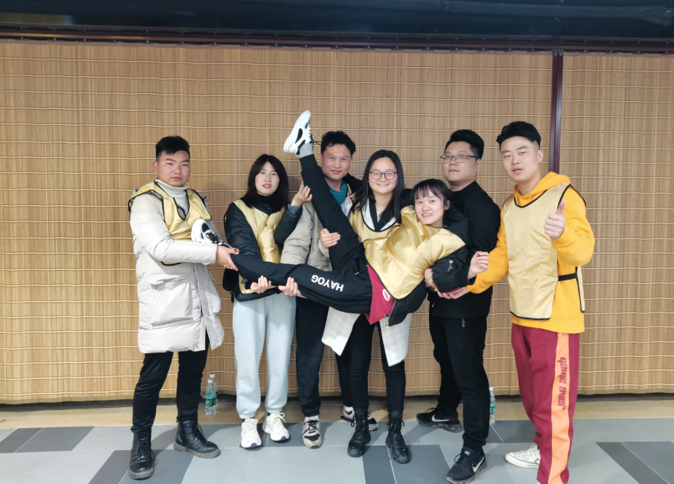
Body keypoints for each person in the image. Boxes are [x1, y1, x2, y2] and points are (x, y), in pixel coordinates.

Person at [228, 111, 479, 464]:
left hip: (386, 295)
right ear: (368, 176)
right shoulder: (365, 204)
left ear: (399, 178)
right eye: (376, 172)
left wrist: (462, 273)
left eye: (389, 173)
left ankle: (394, 432)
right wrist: (325, 243)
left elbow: (442, 265)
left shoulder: (412, 208)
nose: (382, 178)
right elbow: (315, 229)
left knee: (391, 363)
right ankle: (303, 148)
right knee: (322, 218)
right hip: (357, 268)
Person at [440, 121, 595, 484]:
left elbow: (583, 251)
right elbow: (501, 258)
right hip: (522, 314)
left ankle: (552, 476)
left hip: (556, 316)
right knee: (533, 396)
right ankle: (542, 447)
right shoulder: (510, 206)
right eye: (507, 154)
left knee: (554, 405)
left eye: (522, 152)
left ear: (539, 154)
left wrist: (563, 235)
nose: (515, 160)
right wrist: (469, 285)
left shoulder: (563, 196)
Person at [127, 136, 238, 480]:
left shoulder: (196, 200)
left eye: (184, 163)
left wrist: (231, 253)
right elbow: (161, 247)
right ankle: (141, 442)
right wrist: (215, 253)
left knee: (193, 371)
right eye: (170, 163)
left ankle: (187, 430)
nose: (178, 170)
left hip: (198, 298)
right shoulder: (145, 201)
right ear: (156, 165)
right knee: (153, 375)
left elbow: (211, 240)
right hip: (164, 301)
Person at [419, 130, 500, 484]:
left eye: (461, 156)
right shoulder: (442, 197)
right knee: (445, 357)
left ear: (477, 164)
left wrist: (457, 284)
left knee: (469, 373)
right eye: (448, 156)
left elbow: (482, 260)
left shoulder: (483, 207)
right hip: (439, 297)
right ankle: (446, 410)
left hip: (466, 304)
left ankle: (474, 449)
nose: (453, 161)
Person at [276, 130, 365, 448]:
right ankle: (311, 416)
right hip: (315, 284)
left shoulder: (360, 194)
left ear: (351, 161)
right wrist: (289, 276)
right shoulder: (310, 192)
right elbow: (296, 241)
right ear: (320, 158)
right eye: (331, 157)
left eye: (344, 158)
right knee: (310, 353)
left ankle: (350, 406)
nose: (337, 164)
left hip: (349, 285)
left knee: (348, 350)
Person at [222, 154, 309, 449]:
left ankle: (274, 414)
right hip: (250, 292)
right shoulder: (238, 208)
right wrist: (257, 278)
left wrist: (294, 207)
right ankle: (248, 419)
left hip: (284, 294)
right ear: (253, 177)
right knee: (247, 359)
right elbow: (243, 249)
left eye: (273, 173)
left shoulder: (291, 209)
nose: (267, 178)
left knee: (279, 358)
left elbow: (292, 245)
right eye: (261, 172)